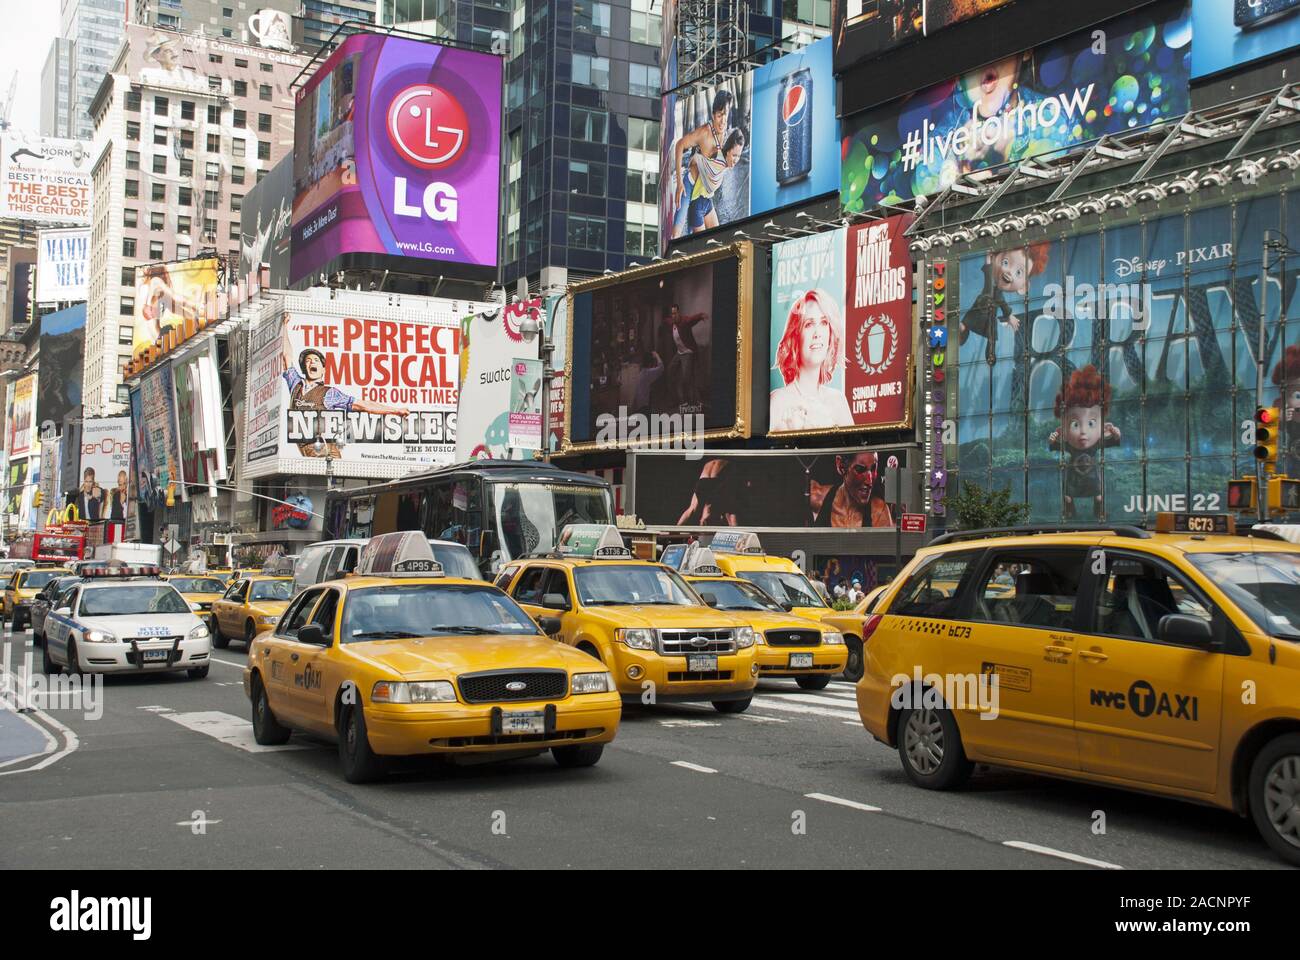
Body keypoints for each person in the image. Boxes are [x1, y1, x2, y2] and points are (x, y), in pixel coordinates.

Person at [281, 333, 409, 457]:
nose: (312, 362)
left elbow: (363, 405)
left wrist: (395, 411)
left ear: (323, 369)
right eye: (308, 360)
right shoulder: (295, 385)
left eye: (316, 360)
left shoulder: (330, 393)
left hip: (326, 454)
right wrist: (284, 325)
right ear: (304, 367)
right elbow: (287, 355)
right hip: (305, 454)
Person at [770, 289, 854, 431]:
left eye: (824, 323)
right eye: (808, 324)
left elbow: (862, 453)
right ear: (796, 336)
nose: (817, 333)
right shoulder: (778, 400)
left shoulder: (838, 400)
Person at [670, 89, 747, 237]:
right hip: (690, 185)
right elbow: (680, 145)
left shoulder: (727, 136)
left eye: (726, 115)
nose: (723, 121)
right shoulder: (705, 133)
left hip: (704, 194)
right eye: (719, 116)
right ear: (713, 115)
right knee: (677, 232)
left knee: (715, 238)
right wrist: (679, 182)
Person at [1048, 365, 1121, 519]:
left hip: (1091, 476)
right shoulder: (1069, 445)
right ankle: (1069, 511)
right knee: (1068, 496)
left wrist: (1116, 435)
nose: (1083, 431)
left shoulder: (1095, 444)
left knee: (1098, 495)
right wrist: (1053, 440)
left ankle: (1098, 511)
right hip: (1074, 475)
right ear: (1064, 427)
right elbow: (1055, 446)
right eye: (1075, 424)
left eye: (1091, 423)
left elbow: (1112, 442)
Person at [959, 243, 1049, 366]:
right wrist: (989, 257)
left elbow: (1002, 303)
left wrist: (1009, 315)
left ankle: (990, 353)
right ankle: (961, 337)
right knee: (963, 327)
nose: (1009, 272)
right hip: (977, 310)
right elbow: (988, 269)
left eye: (1018, 272)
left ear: (1023, 287)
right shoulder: (990, 280)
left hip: (989, 315)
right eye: (1006, 263)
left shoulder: (998, 294)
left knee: (991, 338)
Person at [810, 452, 894, 528]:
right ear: (841, 466)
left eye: (873, 469)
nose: (870, 481)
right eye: (860, 470)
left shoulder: (879, 512)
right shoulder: (817, 498)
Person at [661, 304, 708, 409]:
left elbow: (692, 319)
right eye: (672, 313)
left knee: (686, 377)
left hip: (687, 352)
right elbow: (666, 321)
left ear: (678, 313)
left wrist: (701, 316)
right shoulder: (671, 322)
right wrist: (662, 324)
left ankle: (689, 401)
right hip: (679, 352)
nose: (673, 315)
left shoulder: (684, 321)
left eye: (675, 313)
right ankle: (676, 399)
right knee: (669, 371)